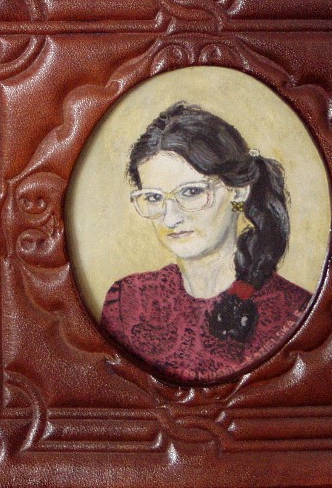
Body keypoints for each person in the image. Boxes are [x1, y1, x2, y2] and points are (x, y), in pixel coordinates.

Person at [99, 102, 311, 383]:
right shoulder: (127, 301)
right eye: (153, 197)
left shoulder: (295, 311)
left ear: (238, 192)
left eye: (191, 192)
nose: (170, 218)